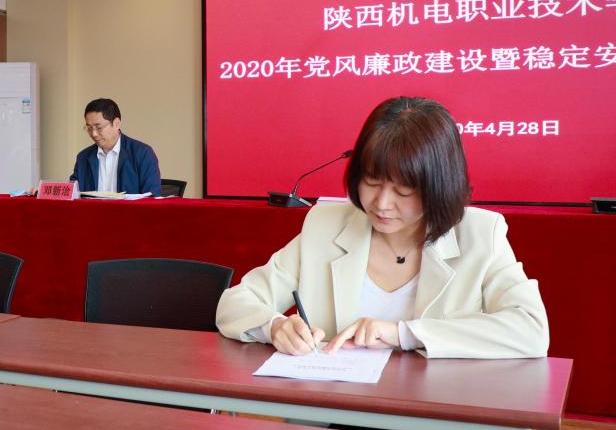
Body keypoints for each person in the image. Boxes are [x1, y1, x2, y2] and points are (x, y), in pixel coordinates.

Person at [216, 96, 548, 359]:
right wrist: (274, 327)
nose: (382, 203)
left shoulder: (481, 233)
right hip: (332, 411)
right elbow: (235, 302)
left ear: (439, 186)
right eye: (372, 182)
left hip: (435, 414)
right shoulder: (325, 226)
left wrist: (403, 334)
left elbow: (530, 330)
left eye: (403, 191)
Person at [70, 98, 161, 196]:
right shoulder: (83, 158)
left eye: (99, 127)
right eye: (89, 128)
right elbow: (72, 195)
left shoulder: (143, 154)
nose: (94, 134)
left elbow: (152, 198)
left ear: (116, 124)